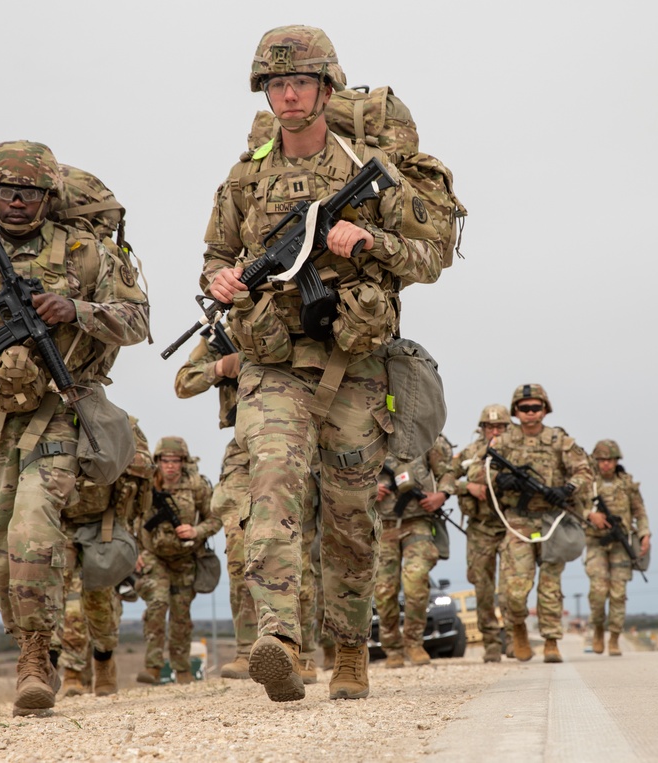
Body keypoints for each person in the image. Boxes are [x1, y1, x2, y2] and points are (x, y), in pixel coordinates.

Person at [201, 25, 442, 702]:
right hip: (271, 362)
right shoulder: (246, 175)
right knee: (270, 485)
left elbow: (432, 257)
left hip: (353, 367)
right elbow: (216, 254)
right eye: (277, 84)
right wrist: (222, 281)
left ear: (326, 88)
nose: (288, 95)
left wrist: (370, 239)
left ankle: (347, 648)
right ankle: (278, 638)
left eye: (300, 81)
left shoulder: (366, 170)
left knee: (347, 515)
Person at [0, 140, 150, 716]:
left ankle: (34, 655)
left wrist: (77, 311)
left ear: (49, 196)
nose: (16, 200)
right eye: (5, 190)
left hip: (59, 406)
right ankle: (30, 647)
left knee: (33, 526)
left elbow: (138, 321)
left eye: (28, 191)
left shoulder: (86, 253)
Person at [173, 332, 322, 684]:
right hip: (244, 447)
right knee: (241, 549)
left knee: (294, 549)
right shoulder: (226, 332)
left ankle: (305, 652)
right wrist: (222, 366)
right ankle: (246, 649)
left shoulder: (299, 319)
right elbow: (183, 381)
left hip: (298, 437)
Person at [467, 384, 591, 664]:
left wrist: (567, 489)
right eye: (524, 408)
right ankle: (518, 627)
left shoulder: (560, 440)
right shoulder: (505, 440)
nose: (530, 413)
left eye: (535, 407)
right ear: (516, 412)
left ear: (545, 409)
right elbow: (476, 468)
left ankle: (551, 641)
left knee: (549, 585)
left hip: (552, 520)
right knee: (515, 588)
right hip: (518, 520)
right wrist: (500, 479)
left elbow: (585, 470)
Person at [56, 416, 154, 697]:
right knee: (67, 604)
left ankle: (103, 661)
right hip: (62, 523)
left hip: (104, 524)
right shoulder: (50, 418)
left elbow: (144, 467)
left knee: (99, 602)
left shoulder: (119, 421)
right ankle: (72, 673)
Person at [134, 437, 220, 684]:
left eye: (175, 461)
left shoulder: (196, 486)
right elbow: (130, 518)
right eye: (165, 460)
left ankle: (182, 671)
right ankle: (152, 666)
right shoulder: (146, 485)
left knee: (181, 614)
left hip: (185, 558)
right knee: (157, 604)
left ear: (183, 462)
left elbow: (215, 519)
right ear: (157, 460)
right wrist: (135, 552)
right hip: (153, 556)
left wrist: (196, 531)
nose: (170, 466)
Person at [374, 434, 454, 668]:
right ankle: (392, 648)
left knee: (416, 580)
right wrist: (369, 489)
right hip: (383, 524)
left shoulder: (427, 435)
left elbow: (447, 472)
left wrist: (441, 495)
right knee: (383, 590)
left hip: (418, 522)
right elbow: (349, 474)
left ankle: (414, 642)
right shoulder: (368, 435)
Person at [453, 405, 513, 662]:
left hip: (512, 524)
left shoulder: (518, 450)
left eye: (500, 426)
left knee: (511, 587)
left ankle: (512, 638)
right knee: (484, 588)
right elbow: (445, 480)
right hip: (480, 528)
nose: (495, 431)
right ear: (482, 428)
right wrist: (468, 486)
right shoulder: (468, 453)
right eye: (490, 427)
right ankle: (491, 643)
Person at [585, 439, 651, 656]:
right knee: (597, 592)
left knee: (618, 593)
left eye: (609, 460)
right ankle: (597, 630)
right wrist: (590, 515)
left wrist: (644, 534)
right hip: (596, 542)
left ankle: (614, 637)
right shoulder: (587, 483)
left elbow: (640, 512)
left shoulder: (627, 485)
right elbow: (574, 507)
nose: (605, 464)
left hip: (621, 544)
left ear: (616, 461)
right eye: (601, 460)